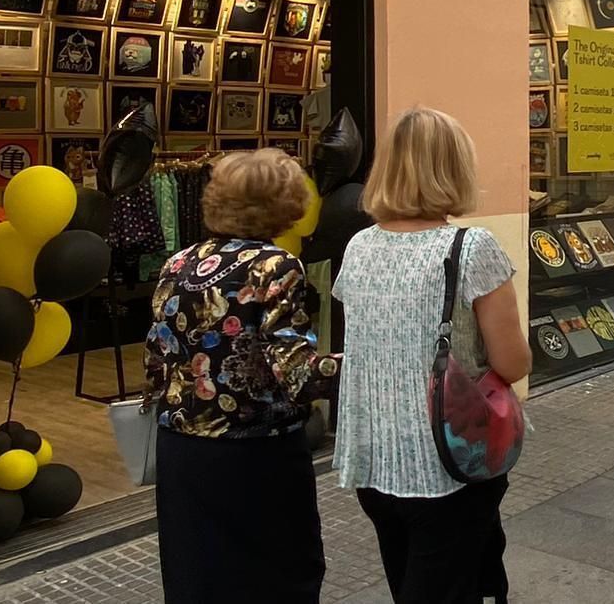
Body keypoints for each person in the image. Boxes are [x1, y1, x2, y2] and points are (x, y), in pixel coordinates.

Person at [333, 108, 531, 604]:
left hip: (376, 462)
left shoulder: (358, 246)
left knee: (411, 581)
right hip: (449, 462)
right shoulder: (471, 247)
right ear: (454, 168)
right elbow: (513, 363)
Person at [146, 148, 340, 604]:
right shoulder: (275, 266)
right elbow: (294, 372)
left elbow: (157, 355)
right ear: (287, 204)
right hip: (255, 451)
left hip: (183, 449)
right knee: (279, 575)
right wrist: (365, 367)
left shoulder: (179, 262)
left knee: (198, 579)